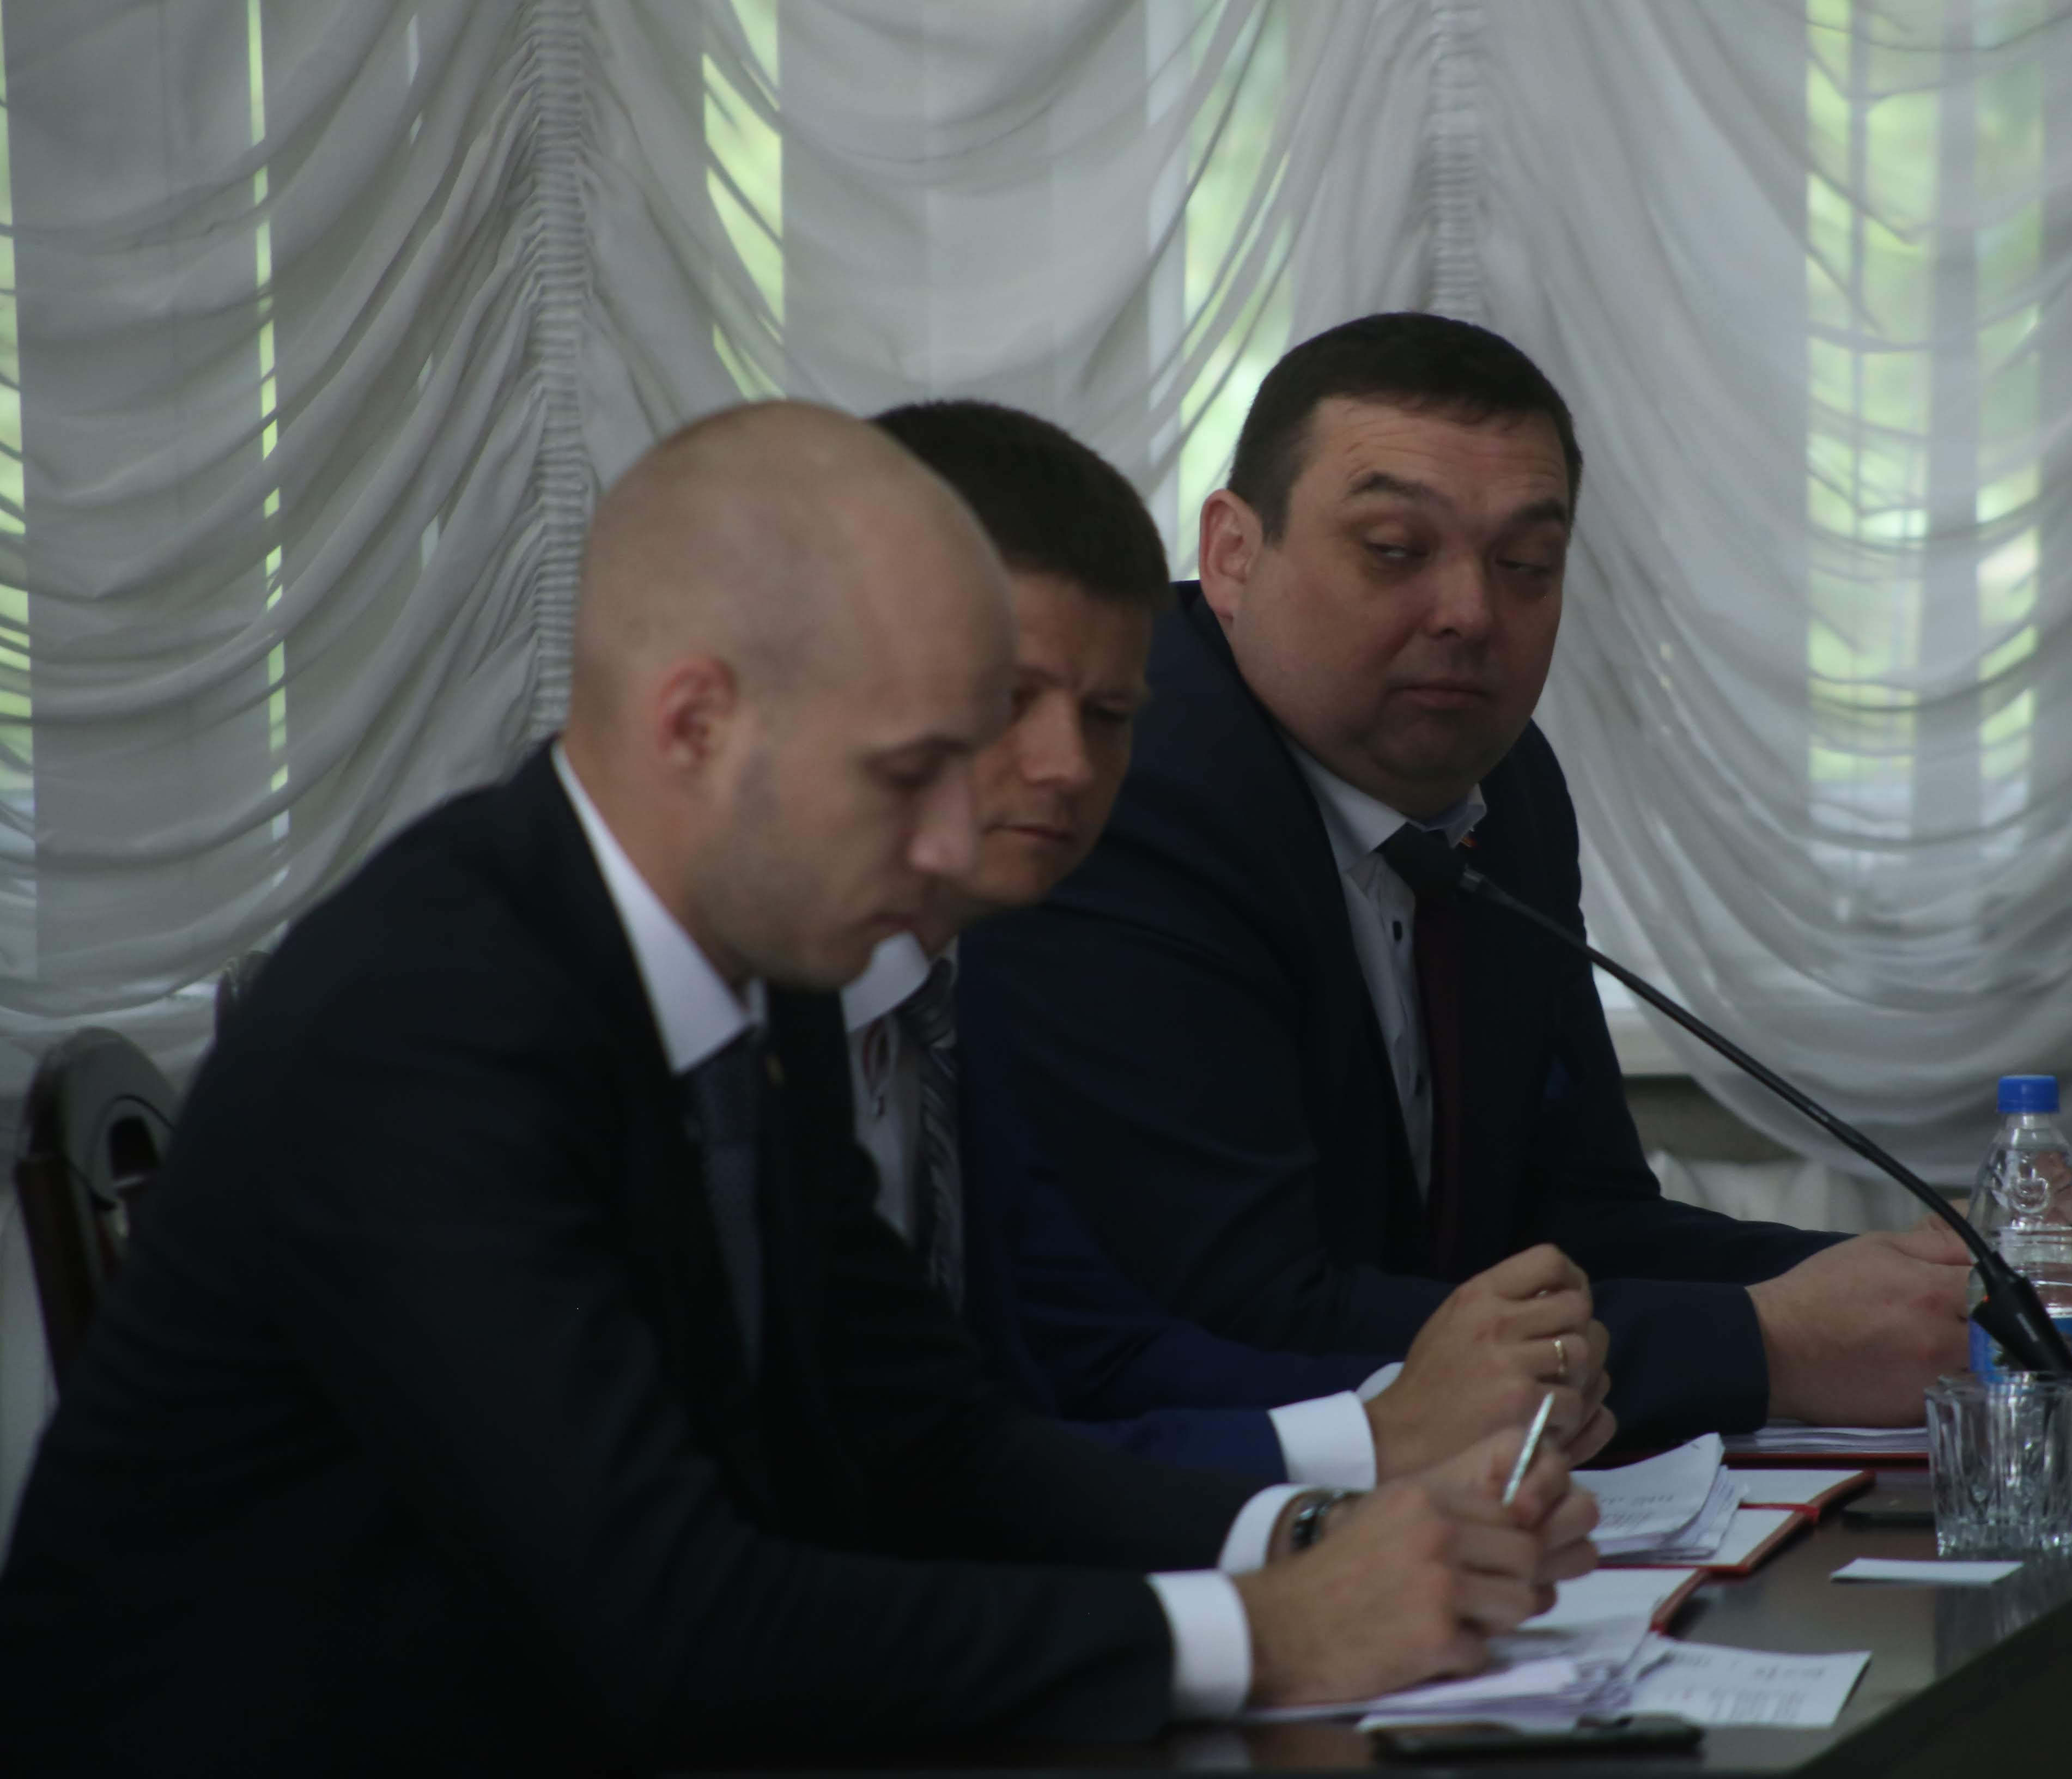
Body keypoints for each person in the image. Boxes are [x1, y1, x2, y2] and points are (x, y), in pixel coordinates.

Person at [0, 402, 1596, 1775]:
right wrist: (1260, 1630)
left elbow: (927, 1440)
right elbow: (672, 1622)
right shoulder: (427, 1020)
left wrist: (1309, 1540)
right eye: (908, 774)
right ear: (694, 721)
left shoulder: (751, 977)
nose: (956, 844)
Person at [968, 314, 1979, 1442]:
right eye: (1395, 550)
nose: (1470, 614)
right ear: (1234, 554)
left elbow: (1571, 1220)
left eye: (1525, 566)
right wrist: (1766, 1344)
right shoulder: (1130, 789)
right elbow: (1244, 1309)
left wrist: (1898, 1288)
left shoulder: (1507, 785)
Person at [849, 399, 1616, 1487]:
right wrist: (1368, 1460)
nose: (1069, 764)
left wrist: (1396, 1426)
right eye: (1005, 699)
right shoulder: (698, 1035)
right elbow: (872, 1497)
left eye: (1109, 714)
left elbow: (1086, 1355)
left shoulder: (945, 988)